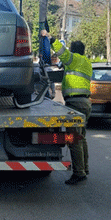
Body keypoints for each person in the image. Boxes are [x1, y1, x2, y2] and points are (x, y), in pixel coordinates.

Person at [41, 30, 92, 185]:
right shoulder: (86, 62)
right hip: (85, 102)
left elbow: (62, 53)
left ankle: (79, 173)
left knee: (74, 139)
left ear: (74, 51)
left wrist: (49, 38)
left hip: (76, 103)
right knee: (81, 137)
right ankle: (84, 168)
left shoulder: (74, 59)